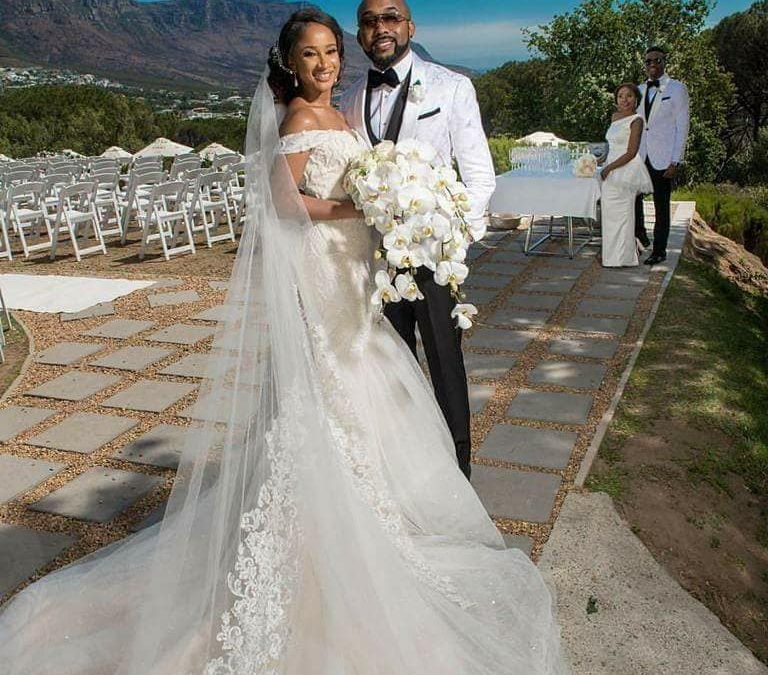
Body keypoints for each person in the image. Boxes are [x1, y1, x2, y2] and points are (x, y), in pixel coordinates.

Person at [0, 9, 568, 674]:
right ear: (290, 63)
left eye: (330, 52)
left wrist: (408, 213)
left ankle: (394, 517)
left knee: (393, 391)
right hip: (328, 273)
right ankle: (334, 539)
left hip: (363, 268)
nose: (324, 63)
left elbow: (422, 173)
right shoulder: (303, 118)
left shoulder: (351, 109)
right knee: (334, 400)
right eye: (311, 54)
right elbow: (283, 204)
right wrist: (365, 207)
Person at [340, 0, 496, 479]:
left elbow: (480, 179)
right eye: (369, 22)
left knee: (446, 367)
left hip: (433, 257)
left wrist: (451, 245)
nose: (379, 28)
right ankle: (408, 472)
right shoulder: (348, 98)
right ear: (360, 33)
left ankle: (458, 472)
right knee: (391, 368)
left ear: (409, 26)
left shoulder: (451, 88)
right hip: (371, 264)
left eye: (389, 18)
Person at [634, 46, 690, 265]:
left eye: (656, 60)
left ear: (664, 61)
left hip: (664, 157)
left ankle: (659, 250)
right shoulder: (639, 89)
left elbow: (682, 126)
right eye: (648, 61)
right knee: (634, 198)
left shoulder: (677, 89)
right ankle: (641, 238)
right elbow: (637, 125)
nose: (652, 64)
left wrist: (676, 160)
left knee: (661, 205)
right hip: (641, 155)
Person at [599, 83, 653, 267]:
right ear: (616, 100)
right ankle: (611, 256)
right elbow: (612, 145)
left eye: (629, 96)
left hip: (625, 170)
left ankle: (624, 257)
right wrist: (601, 161)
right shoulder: (614, 117)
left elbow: (631, 152)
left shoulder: (637, 120)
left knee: (624, 214)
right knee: (609, 214)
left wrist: (609, 168)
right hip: (611, 166)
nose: (625, 99)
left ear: (636, 99)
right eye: (621, 96)